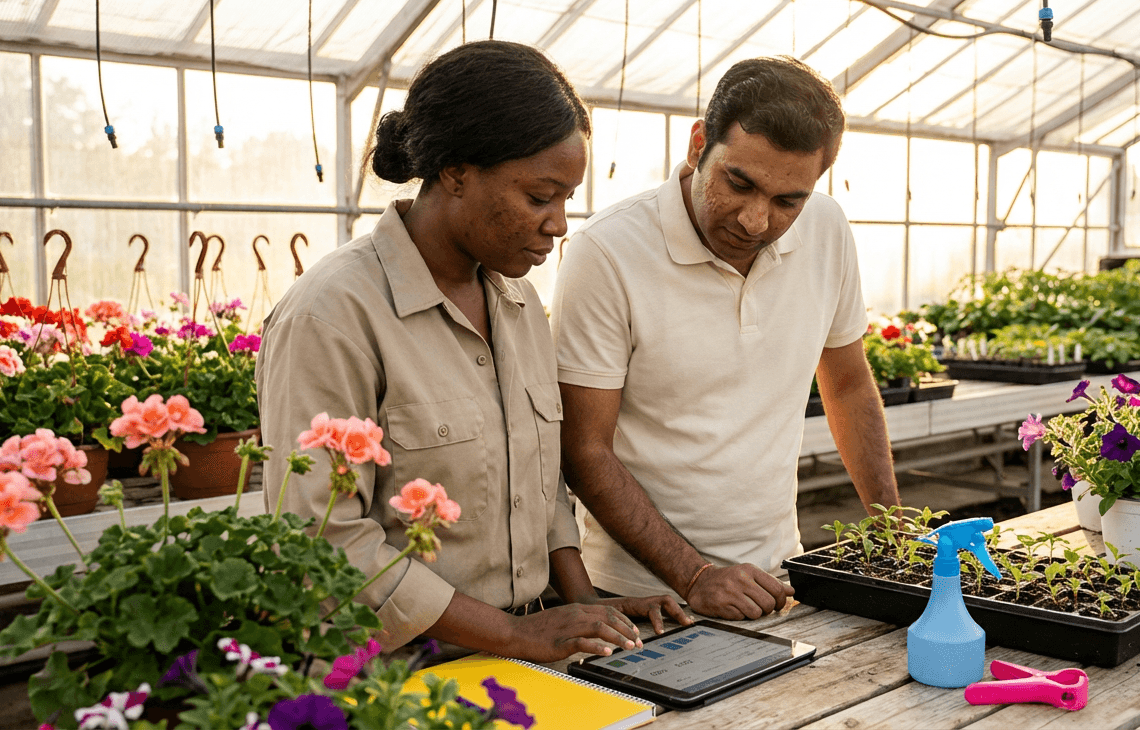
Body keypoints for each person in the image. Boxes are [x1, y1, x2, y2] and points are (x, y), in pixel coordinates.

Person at [256, 41, 689, 660]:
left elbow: (539, 491)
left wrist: (586, 604)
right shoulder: (333, 316)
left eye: (566, 199)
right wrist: (511, 633)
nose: (559, 224)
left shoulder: (517, 303)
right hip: (402, 672)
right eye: (539, 197)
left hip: (525, 655)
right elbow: (322, 542)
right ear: (456, 173)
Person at [551, 56, 900, 621]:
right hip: (640, 595)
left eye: (788, 200)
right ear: (698, 145)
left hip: (778, 575)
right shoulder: (608, 252)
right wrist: (696, 576)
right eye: (739, 184)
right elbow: (584, 447)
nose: (756, 221)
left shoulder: (827, 229)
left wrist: (894, 533)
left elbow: (848, 384)